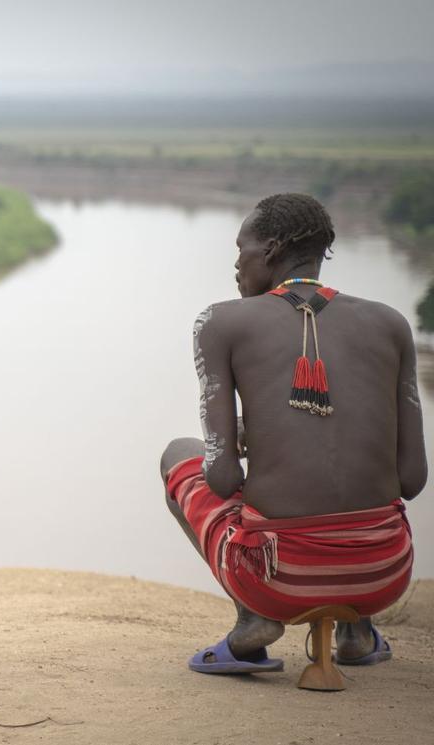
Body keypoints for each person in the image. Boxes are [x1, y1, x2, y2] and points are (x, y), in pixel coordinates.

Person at [161, 193, 424, 674]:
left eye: (241, 249)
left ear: (270, 249)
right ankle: (357, 631)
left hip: (278, 580)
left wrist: (251, 445)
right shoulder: (391, 323)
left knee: (178, 453)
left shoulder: (219, 322)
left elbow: (222, 479)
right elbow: (412, 479)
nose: (236, 263)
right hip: (384, 571)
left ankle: (253, 620)